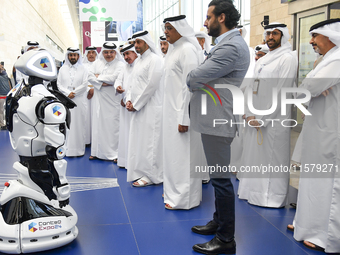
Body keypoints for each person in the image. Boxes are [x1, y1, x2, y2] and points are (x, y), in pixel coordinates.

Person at [186, 0, 249, 254]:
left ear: (221, 18)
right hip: (214, 118)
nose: (205, 22)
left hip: (218, 120)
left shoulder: (231, 47)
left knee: (221, 180)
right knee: (216, 176)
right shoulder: (226, 45)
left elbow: (194, 77)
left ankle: (225, 239)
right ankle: (218, 222)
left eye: (208, 17)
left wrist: (194, 78)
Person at [290, 19, 340, 253]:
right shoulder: (327, 60)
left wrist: (310, 88)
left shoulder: (337, 59)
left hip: (331, 134)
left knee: (328, 186)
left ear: (331, 36)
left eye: (315, 36)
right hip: (318, 129)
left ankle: (325, 236)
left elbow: (307, 88)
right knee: (311, 181)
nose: (311, 41)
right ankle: (306, 225)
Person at [237, 22, 298, 208]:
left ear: (283, 36)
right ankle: (254, 193)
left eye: (275, 34)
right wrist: (248, 112)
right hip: (256, 115)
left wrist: (263, 118)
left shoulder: (287, 58)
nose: (270, 37)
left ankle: (271, 198)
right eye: (268, 33)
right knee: (257, 158)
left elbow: (282, 91)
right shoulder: (265, 59)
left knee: (273, 159)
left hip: (274, 120)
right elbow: (254, 87)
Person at [161, 15, 202, 210]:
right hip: (170, 113)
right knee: (173, 156)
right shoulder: (173, 50)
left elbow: (192, 87)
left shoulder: (187, 50)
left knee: (184, 157)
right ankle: (173, 191)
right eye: (165, 28)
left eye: (169, 28)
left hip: (182, 114)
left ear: (180, 28)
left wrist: (185, 117)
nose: (166, 31)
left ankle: (185, 198)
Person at [125, 30, 163, 187]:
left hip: (151, 108)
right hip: (137, 108)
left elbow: (151, 85)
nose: (136, 46)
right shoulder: (139, 61)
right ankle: (141, 171)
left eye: (139, 42)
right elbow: (132, 84)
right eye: (135, 43)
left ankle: (152, 176)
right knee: (140, 141)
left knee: (150, 142)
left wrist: (136, 104)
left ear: (147, 43)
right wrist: (128, 100)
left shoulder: (155, 60)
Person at [88, 42, 124, 161]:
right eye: (106, 52)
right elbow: (89, 76)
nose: (109, 54)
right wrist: (103, 83)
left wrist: (98, 78)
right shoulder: (97, 63)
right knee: (97, 125)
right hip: (98, 100)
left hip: (112, 101)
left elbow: (114, 78)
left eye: (111, 52)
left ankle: (114, 154)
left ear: (115, 53)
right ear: (102, 52)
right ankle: (96, 152)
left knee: (112, 127)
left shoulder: (120, 64)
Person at [57, 47, 88, 157]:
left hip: (79, 101)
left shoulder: (83, 69)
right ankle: (66, 149)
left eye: (75, 55)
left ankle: (78, 150)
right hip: (65, 101)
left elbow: (85, 84)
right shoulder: (62, 69)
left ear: (78, 56)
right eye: (71, 55)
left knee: (79, 125)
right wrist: (67, 93)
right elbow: (59, 85)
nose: (73, 57)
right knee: (66, 124)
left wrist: (74, 93)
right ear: (68, 56)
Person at [115, 44, 138, 168]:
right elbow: (118, 80)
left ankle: (133, 163)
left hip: (135, 106)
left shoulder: (139, 66)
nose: (126, 57)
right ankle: (124, 160)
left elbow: (134, 86)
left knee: (134, 134)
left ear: (135, 53)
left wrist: (127, 99)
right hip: (125, 105)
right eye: (124, 54)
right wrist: (117, 88)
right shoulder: (124, 67)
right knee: (125, 133)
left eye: (128, 53)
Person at [83, 46, 99, 146]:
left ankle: (96, 140)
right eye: (89, 52)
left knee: (96, 116)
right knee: (86, 116)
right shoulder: (82, 66)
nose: (92, 54)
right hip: (85, 94)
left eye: (93, 52)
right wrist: (89, 89)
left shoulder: (100, 65)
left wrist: (94, 88)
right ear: (86, 54)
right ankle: (86, 140)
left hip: (98, 93)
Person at [0, 63, 11, 130]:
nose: (2, 67)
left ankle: (6, 123)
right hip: (1, 95)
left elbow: (9, 83)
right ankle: (2, 124)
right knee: (1, 111)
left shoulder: (5, 74)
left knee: (6, 110)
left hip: (6, 95)